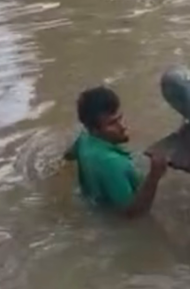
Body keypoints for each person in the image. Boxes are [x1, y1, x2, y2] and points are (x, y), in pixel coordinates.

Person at [64, 86, 166, 217]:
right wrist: (154, 177)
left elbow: (68, 156)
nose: (122, 127)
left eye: (120, 118)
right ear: (95, 130)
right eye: (112, 124)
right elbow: (132, 214)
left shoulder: (84, 139)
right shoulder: (112, 164)